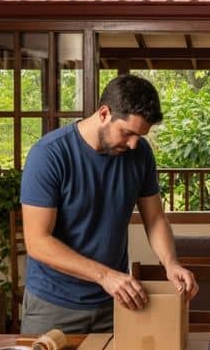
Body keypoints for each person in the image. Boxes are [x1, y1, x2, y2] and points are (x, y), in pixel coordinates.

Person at [19, 74, 198, 335]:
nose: (134, 143)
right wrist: (106, 276)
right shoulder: (49, 155)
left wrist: (170, 263)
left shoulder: (140, 153)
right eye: (127, 133)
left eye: (140, 136)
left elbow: (155, 218)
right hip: (53, 305)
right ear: (104, 113)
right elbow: (37, 242)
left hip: (114, 303)